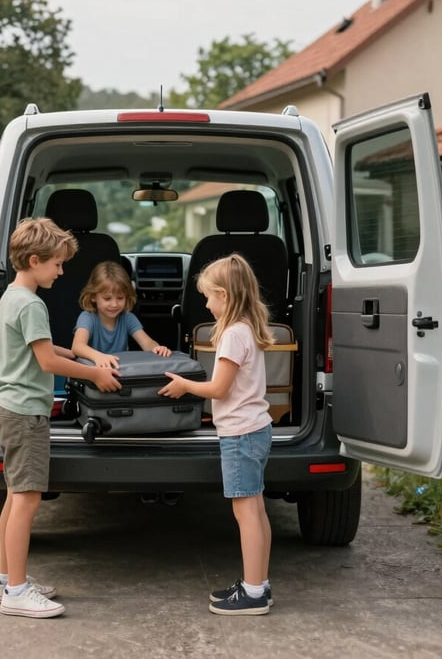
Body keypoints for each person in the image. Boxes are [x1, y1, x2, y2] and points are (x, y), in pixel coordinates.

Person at [0, 217, 121, 619]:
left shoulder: (12, 296)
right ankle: (16, 591)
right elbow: (46, 361)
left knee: (14, 496)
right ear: (34, 260)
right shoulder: (32, 304)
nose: (62, 272)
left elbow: (44, 350)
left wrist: (82, 353)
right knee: (27, 500)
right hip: (26, 414)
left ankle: (5, 579)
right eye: (57, 264)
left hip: (7, 407)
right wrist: (96, 373)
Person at [158, 253, 275, 615]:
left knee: (246, 513)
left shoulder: (231, 335)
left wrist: (185, 386)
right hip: (257, 428)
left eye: (209, 296)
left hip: (240, 434)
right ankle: (259, 583)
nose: (206, 303)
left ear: (224, 295)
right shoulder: (247, 327)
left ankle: (254, 593)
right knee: (256, 509)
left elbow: (219, 389)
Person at [71, 260, 171, 367]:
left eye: (120, 298)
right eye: (107, 298)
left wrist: (157, 348)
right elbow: (77, 346)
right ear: (93, 297)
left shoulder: (127, 318)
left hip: (120, 372)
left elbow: (146, 342)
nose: (114, 304)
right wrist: (99, 356)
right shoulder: (87, 317)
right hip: (94, 373)